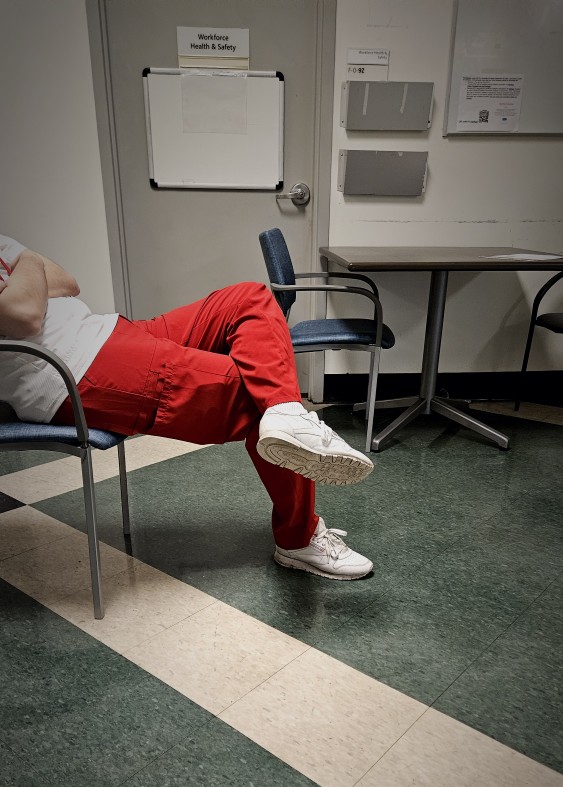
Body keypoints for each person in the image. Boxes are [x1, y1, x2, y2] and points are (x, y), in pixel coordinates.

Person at [0, 233, 374, 580]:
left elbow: (67, 282)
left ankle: (287, 413)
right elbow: (23, 314)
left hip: (109, 332)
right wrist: (28, 261)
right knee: (258, 394)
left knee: (250, 299)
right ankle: (298, 539)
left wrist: (24, 276)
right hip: (71, 370)